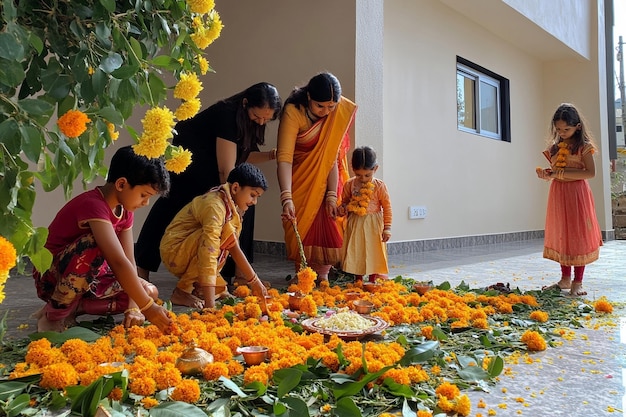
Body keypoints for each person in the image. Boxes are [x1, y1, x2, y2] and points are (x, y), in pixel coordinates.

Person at [135, 82, 282, 282]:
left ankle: (235, 275)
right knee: (171, 207)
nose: (261, 122)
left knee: (246, 201)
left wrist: (272, 155)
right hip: (190, 161)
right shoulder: (228, 114)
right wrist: (231, 200)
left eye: (267, 119)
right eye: (257, 117)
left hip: (212, 162)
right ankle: (141, 267)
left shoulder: (251, 120)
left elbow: (242, 155)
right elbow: (226, 170)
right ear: (245, 103)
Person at [33, 145, 173, 333]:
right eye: (143, 195)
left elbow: (129, 262)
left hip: (90, 278)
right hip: (52, 276)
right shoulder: (92, 205)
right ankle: (54, 315)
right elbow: (117, 261)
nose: (145, 203)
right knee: (94, 243)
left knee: (147, 292)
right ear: (121, 184)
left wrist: (135, 307)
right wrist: (148, 309)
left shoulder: (125, 211)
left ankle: (74, 307)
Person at [277, 72, 357, 283]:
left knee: (330, 219)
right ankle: (303, 274)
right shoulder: (294, 112)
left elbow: (330, 156)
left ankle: (322, 275)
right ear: (309, 97)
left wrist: (331, 194)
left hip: (330, 176)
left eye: (332, 106)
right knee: (300, 221)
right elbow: (284, 157)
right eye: (321, 106)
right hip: (301, 175)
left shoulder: (336, 111)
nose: (327, 112)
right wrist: (286, 197)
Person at [160, 163, 269, 309]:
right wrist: (210, 307)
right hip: (174, 251)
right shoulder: (215, 206)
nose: (254, 202)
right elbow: (208, 251)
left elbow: (234, 247)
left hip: (189, 249)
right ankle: (181, 291)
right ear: (235, 188)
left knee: (222, 242)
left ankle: (202, 288)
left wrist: (256, 283)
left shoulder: (228, 202)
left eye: (257, 197)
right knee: (215, 242)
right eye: (253, 195)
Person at [536, 103, 603, 296]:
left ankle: (578, 281)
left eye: (567, 129)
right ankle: (565, 279)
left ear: (578, 127)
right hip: (558, 195)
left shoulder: (584, 147)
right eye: (558, 129)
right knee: (562, 233)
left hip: (577, 195)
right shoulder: (555, 149)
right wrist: (547, 174)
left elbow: (590, 173)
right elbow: (556, 174)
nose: (562, 132)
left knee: (578, 234)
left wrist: (561, 172)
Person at [338, 146, 392, 282]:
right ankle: (358, 279)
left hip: (373, 224)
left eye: (367, 175)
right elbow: (344, 201)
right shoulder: (350, 185)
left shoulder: (379, 186)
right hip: (355, 223)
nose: (363, 179)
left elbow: (387, 207)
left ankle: (373, 280)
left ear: (375, 169)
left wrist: (387, 228)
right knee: (358, 250)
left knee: (373, 250)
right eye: (359, 175)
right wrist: (342, 208)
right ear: (352, 169)